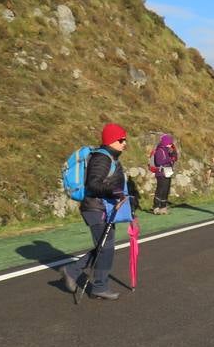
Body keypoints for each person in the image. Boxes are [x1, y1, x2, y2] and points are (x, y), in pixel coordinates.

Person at [61, 123, 139, 300]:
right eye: (121, 140)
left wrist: (129, 209)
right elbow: (93, 184)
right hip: (95, 208)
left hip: (103, 208)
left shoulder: (111, 158)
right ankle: (95, 284)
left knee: (105, 248)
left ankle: (75, 272)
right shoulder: (102, 158)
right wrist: (114, 191)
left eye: (125, 139)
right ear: (111, 141)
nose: (125, 143)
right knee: (106, 248)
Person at [149, 133, 179, 214]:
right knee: (160, 190)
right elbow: (159, 162)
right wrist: (169, 159)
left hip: (168, 171)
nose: (170, 144)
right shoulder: (160, 150)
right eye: (169, 143)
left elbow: (175, 158)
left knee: (166, 190)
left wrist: (173, 153)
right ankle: (156, 207)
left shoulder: (168, 150)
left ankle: (163, 207)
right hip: (161, 172)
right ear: (166, 142)